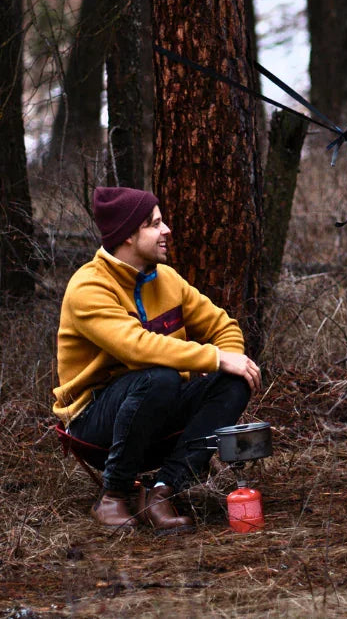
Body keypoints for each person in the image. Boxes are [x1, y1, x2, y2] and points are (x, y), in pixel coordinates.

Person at [53, 186, 262, 533]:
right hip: (93, 420)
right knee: (159, 376)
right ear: (128, 237)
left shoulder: (165, 278)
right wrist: (213, 358)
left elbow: (222, 325)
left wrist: (232, 359)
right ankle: (113, 496)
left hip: (155, 406)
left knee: (234, 379)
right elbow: (137, 347)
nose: (166, 231)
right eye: (154, 224)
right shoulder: (89, 288)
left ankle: (164, 491)